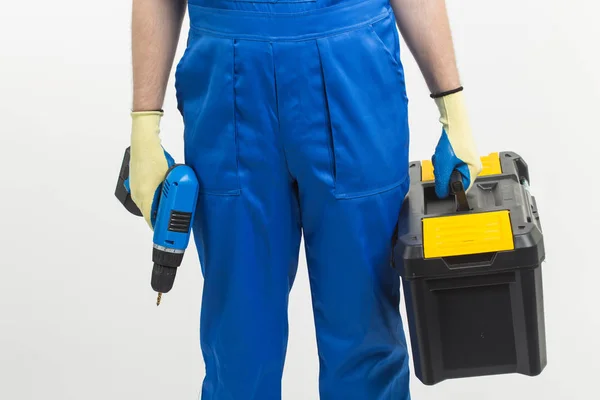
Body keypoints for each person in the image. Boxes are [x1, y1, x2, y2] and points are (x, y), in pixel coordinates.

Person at [128, 0, 482, 398]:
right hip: (227, 85)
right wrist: (144, 124)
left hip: (353, 72)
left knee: (365, 335)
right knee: (239, 345)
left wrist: (453, 107)